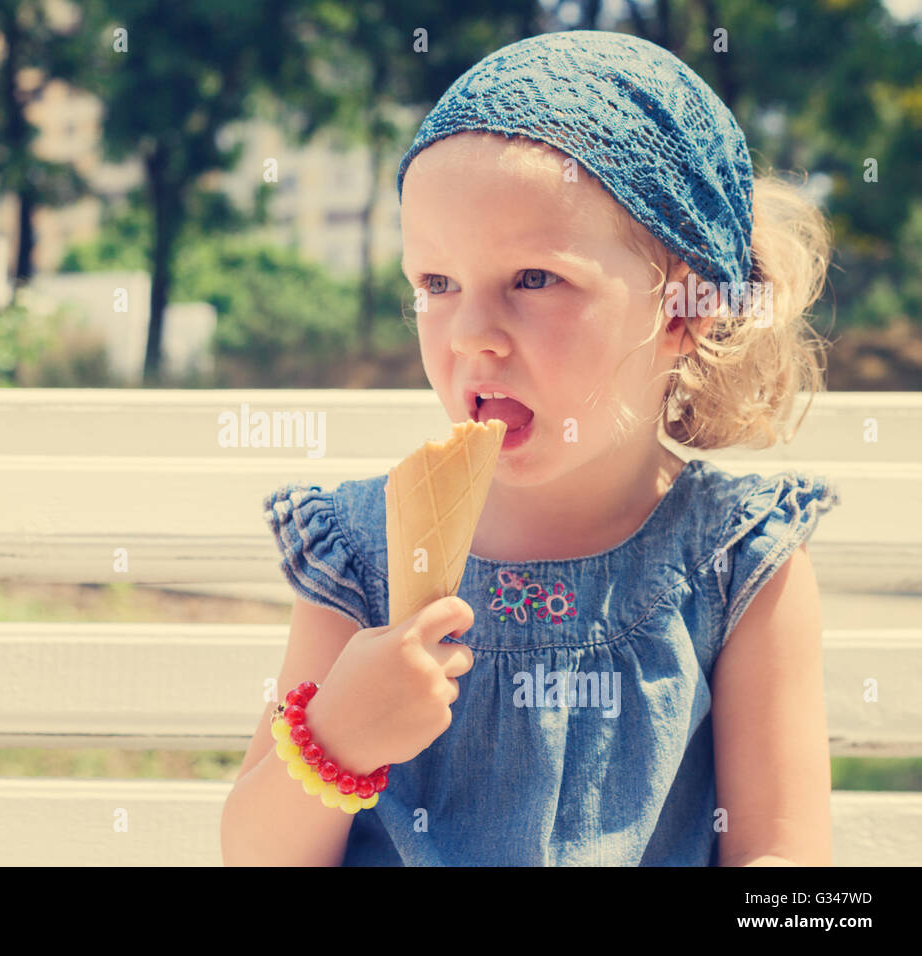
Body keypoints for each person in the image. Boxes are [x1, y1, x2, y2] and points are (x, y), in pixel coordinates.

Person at [221, 29, 839, 866]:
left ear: (684, 312)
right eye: (436, 285)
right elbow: (255, 855)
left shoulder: (737, 561)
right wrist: (337, 737)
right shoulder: (368, 548)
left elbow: (788, 863)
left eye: (534, 280)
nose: (473, 336)